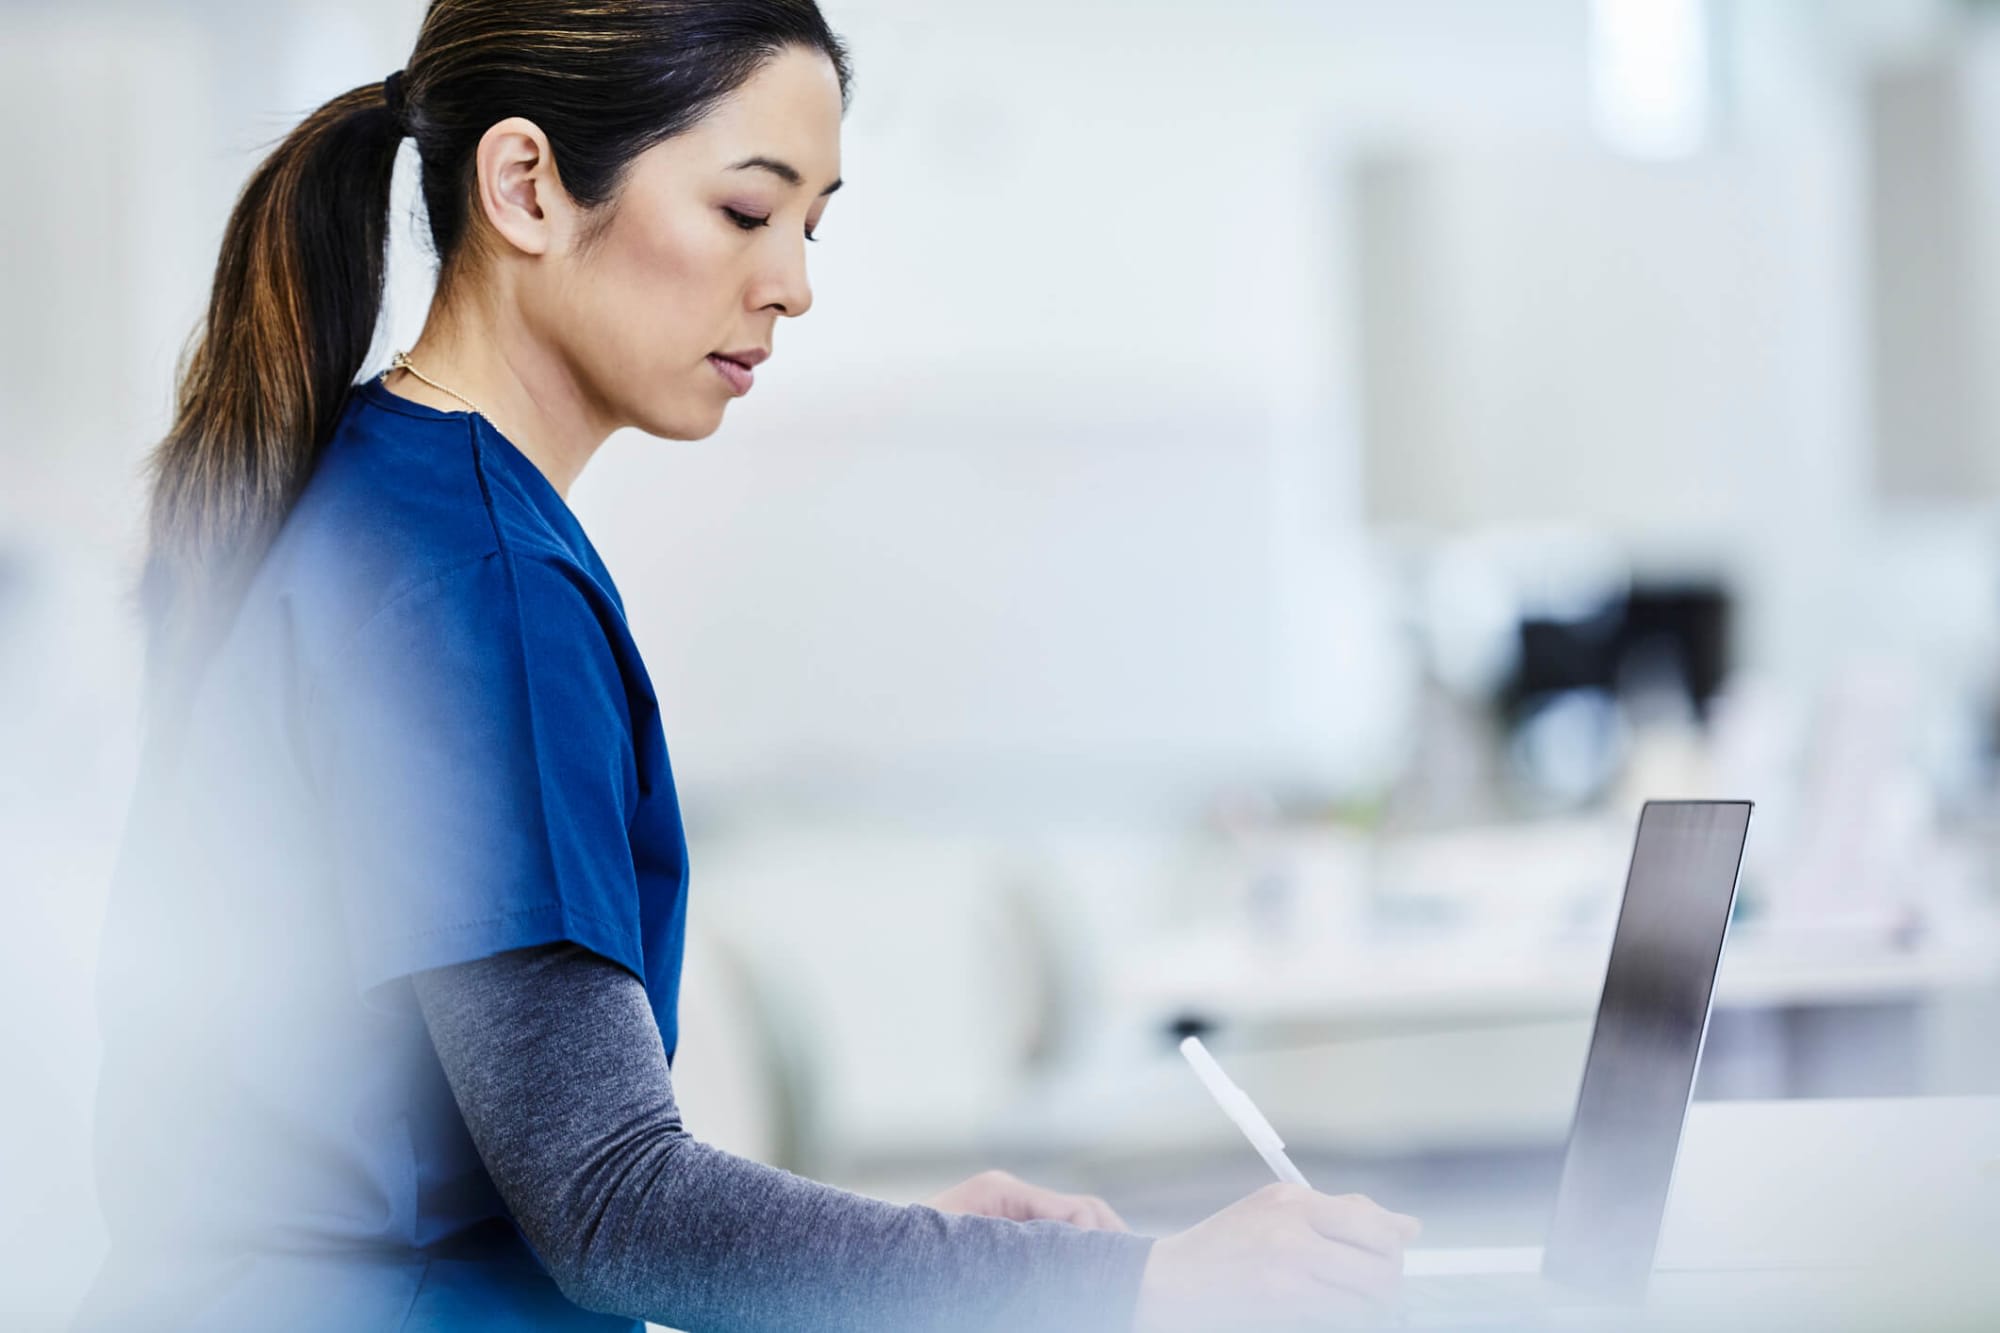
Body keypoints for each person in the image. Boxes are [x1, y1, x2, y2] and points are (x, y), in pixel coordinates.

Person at [77, 3, 1420, 1329]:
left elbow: (533, 1183)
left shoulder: (375, 492)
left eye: (809, 225)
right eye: (745, 211)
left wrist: (925, 1254)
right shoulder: (479, 576)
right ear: (527, 187)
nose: (793, 281)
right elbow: (613, 1206)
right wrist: (1136, 1281)